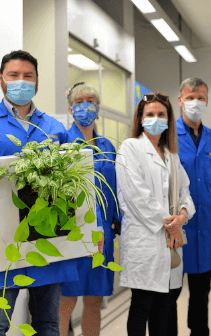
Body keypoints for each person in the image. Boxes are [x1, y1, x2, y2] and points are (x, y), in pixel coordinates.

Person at [0, 50, 75, 335]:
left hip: (47, 239)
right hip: (3, 240)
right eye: (14, 75)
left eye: (28, 76)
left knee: (47, 324)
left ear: (37, 81)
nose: (21, 81)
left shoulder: (55, 129)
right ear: (2, 80)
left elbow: (74, 183)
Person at [115, 92, 195, 336]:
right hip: (145, 241)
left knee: (165, 305)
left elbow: (185, 192)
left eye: (161, 114)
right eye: (150, 114)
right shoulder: (130, 148)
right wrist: (171, 225)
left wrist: (183, 215)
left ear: (169, 119)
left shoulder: (171, 155)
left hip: (169, 240)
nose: (155, 119)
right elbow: (136, 197)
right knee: (142, 305)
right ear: (140, 118)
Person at [59, 83, 120, 336]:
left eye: (91, 100)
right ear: (71, 108)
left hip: (102, 233)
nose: (86, 105)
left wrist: (116, 223)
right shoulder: (61, 142)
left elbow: (115, 188)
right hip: (71, 232)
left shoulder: (107, 145)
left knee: (94, 301)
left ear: (98, 107)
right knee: (66, 302)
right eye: (80, 100)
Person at [168, 77, 211, 336]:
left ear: (207, 101)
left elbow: (209, 180)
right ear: (180, 101)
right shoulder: (169, 135)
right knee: (171, 292)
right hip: (177, 226)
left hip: (204, 226)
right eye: (189, 98)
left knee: (201, 293)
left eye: (200, 97)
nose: (195, 103)